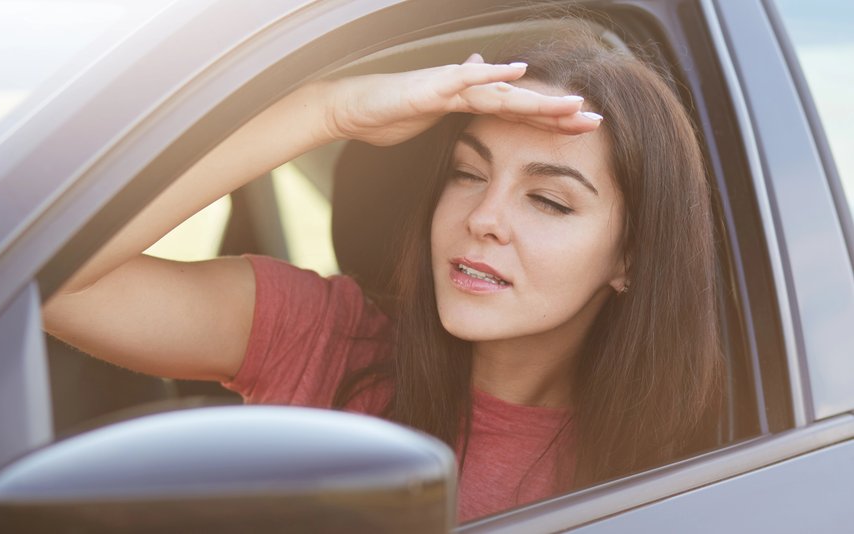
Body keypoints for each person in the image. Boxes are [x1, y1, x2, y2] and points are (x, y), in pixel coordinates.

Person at [43, 22, 722, 523]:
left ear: (629, 259)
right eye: (467, 173)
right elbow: (61, 282)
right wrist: (327, 111)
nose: (484, 216)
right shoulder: (329, 340)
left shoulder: (690, 468)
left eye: (548, 199)